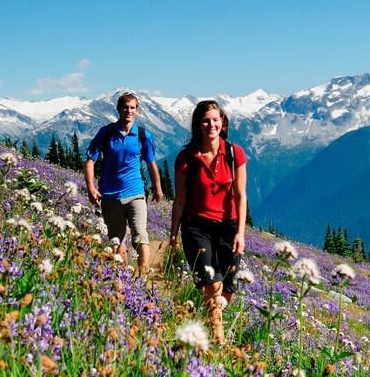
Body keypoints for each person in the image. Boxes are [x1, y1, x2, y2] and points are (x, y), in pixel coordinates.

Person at [169, 100, 248, 345]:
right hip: (196, 227)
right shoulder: (186, 158)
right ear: (198, 125)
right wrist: (173, 235)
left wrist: (241, 233)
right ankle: (218, 341)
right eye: (205, 120)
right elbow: (180, 200)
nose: (211, 124)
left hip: (229, 226)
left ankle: (208, 318)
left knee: (228, 289)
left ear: (222, 122)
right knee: (212, 286)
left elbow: (241, 195)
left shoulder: (235, 153)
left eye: (215, 119)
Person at [84, 92, 163, 275]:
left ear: (137, 110)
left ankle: (142, 277)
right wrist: (90, 188)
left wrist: (157, 187)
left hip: (136, 193)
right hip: (111, 196)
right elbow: (89, 161)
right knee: (116, 241)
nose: (129, 111)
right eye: (125, 107)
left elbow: (151, 163)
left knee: (140, 235)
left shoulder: (143, 135)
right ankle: (125, 278)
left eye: (132, 107)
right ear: (119, 109)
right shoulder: (106, 133)